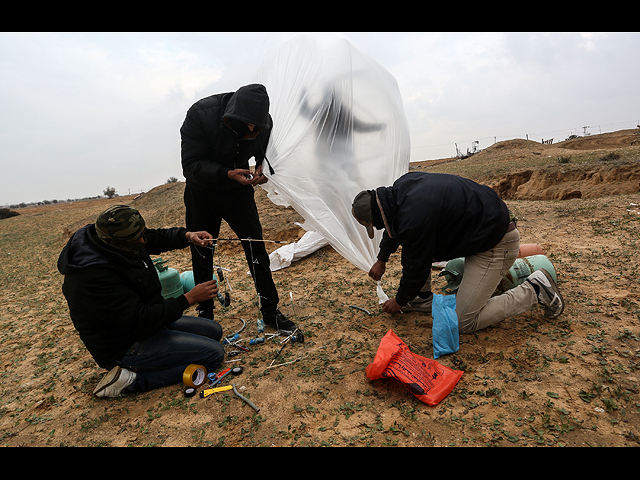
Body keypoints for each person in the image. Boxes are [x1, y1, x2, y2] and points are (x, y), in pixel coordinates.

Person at [351, 171, 564, 334]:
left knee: (464, 321)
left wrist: (399, 300)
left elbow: (416, 265)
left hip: (496, 245)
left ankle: (534, 290)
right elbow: (394, 227)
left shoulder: (413, 219)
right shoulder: (401, 189)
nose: (377, 229)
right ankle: (421, 298)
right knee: (414, 244)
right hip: (482, 230)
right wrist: (382, 259)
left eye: (374, 225)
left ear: (377, 217)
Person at [57, 204, 225, 398]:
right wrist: (189, 298)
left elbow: (151, 238)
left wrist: (187, 236)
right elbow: (139, 320)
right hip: (124, 343)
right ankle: (130, 381)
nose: (143, 240)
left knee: (214, 331)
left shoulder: (115, 238)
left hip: (147, 324)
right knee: (213, 355)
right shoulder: (93, 276)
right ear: (116, 243)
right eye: (138, 238)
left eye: (142, 233)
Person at [180, 83, 295, 332]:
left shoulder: (263, 122)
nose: (252, 129)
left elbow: (264, 153)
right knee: (203, 252)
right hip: (202, 192)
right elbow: (190, 164)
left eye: (257, 125)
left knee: (256, 247)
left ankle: (270, 311)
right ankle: (205, 315)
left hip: (238, 193)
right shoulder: (200, 115)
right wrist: (226, 173)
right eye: (247, 124)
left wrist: (263, 169)